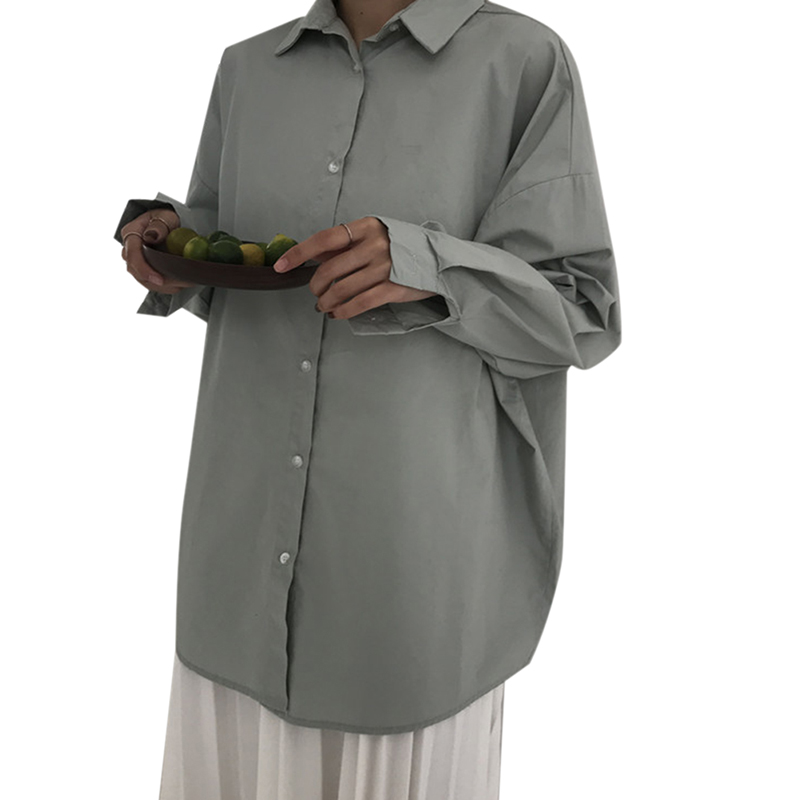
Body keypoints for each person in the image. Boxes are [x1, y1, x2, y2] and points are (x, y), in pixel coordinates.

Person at [116, 0, 621, 798]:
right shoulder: (247, 69)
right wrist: (171, 244)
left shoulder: (523, 62)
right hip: (236, 554)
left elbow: (581, 309)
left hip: (405, 568)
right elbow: (238, 260)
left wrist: (427, 263)